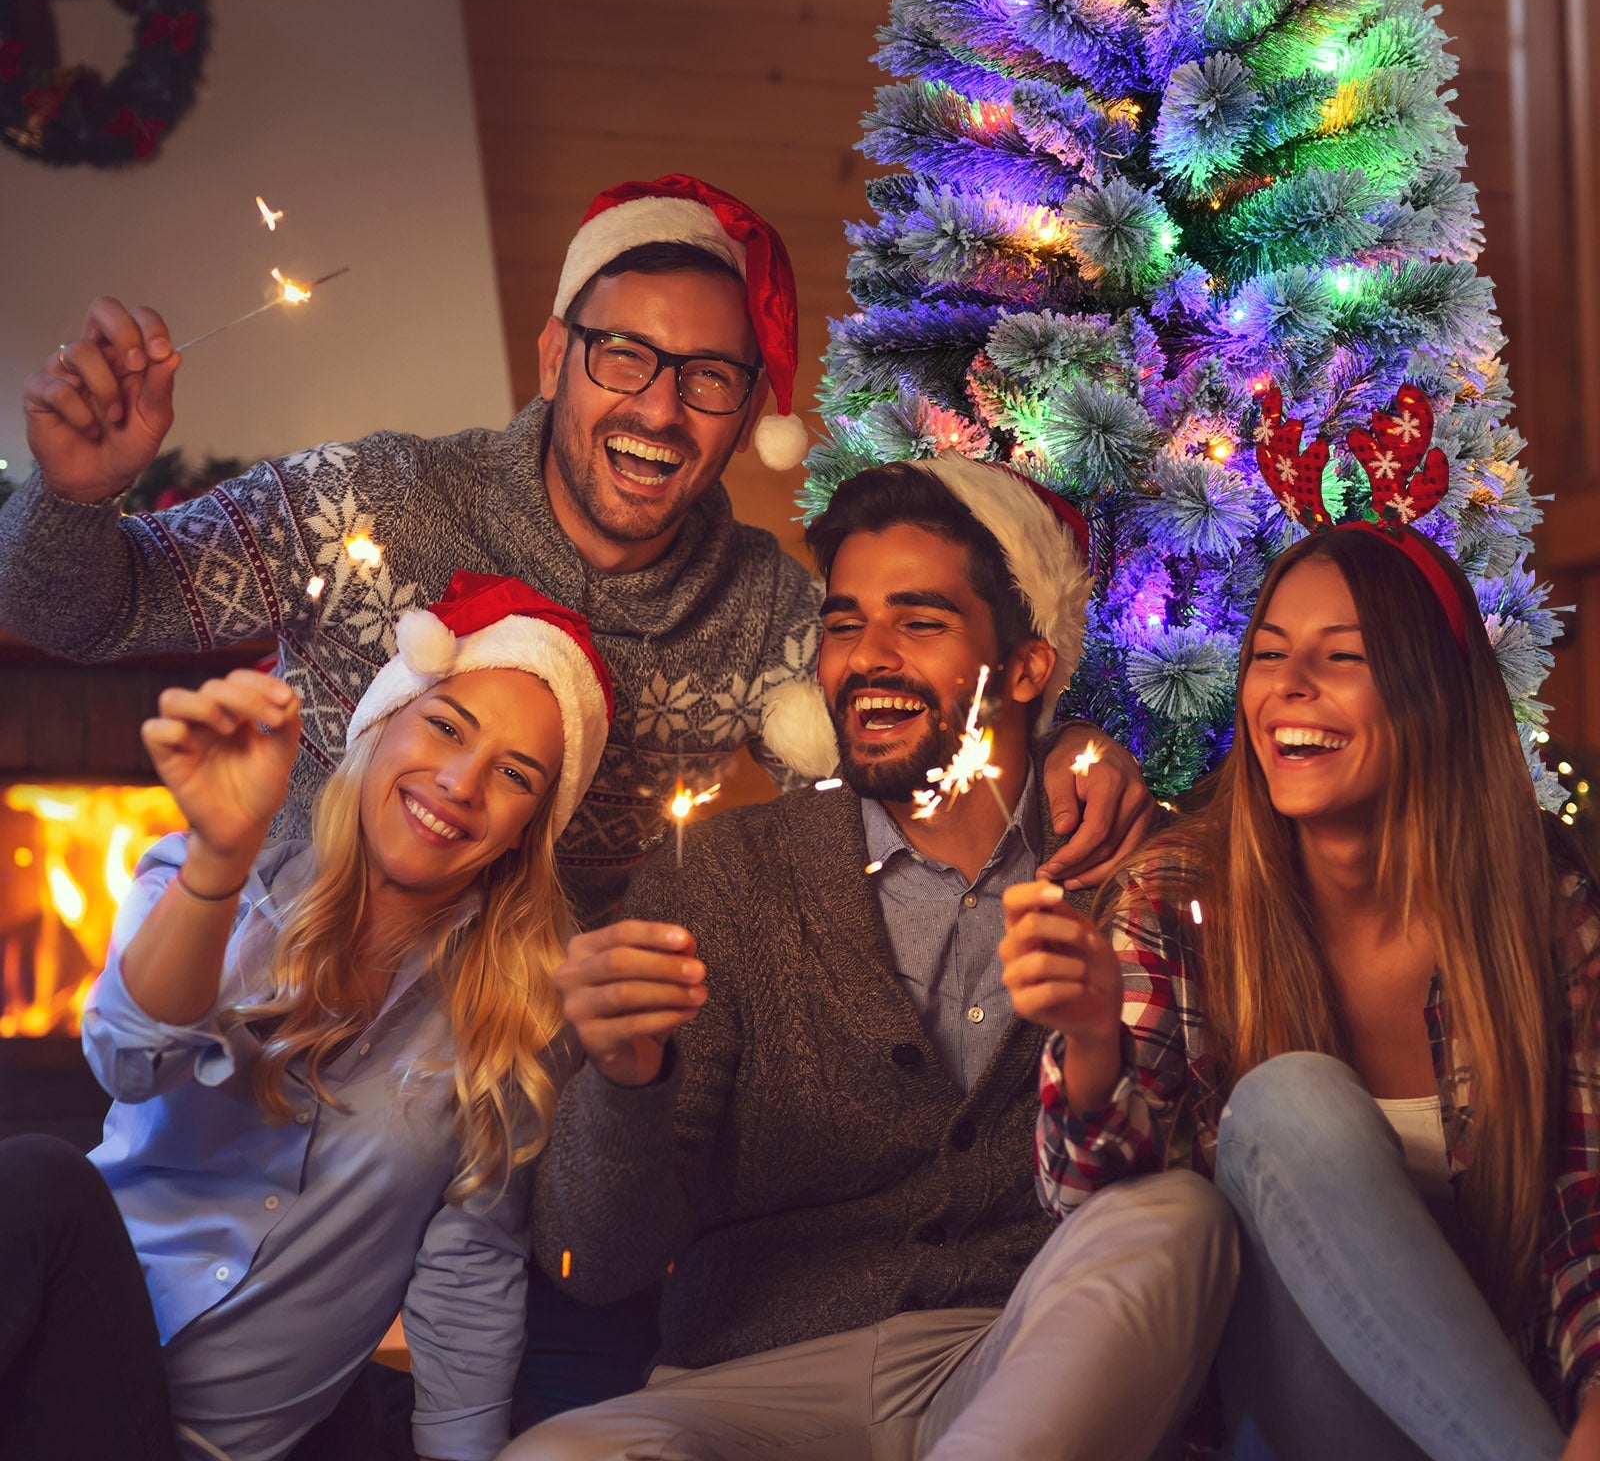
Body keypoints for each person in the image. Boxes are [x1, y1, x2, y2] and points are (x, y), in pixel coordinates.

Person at [0, 173, 1147, 927]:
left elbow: (919, 737)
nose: (657, 410)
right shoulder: (376, 499)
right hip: (274, 983)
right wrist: (72, 498)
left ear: (752, 410)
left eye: (707, 378)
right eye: (621, 356)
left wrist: (1065, 741)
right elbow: (81, 616)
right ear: (554, 355)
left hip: (508, 1070)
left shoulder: (765, 616)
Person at [504, 456, 1238, 1461]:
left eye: (920, 622)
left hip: (1017, 1365)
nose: (865, 658)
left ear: (1025, 668)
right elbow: (595, 1265)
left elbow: (1153, 1218)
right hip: (748, 1388)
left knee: (1178, 1219)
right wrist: (625, 1084)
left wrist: (1095, 1039)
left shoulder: (1130, 877)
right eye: (844, 623)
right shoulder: (720, 876)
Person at [1004, 521, 1600, 1461]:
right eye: (1270, 654)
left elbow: (1584, 1222)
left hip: (1487, 1409)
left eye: (1343, 657)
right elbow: (1104, 1221)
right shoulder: (1174, 898)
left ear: (1434, 692)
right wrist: (1088, 1041)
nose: (1287, 688)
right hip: (1277, 1418)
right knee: (1292, 1102)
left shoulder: (1547, 913)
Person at [0, 571, 615, 1461]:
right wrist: (220, 855)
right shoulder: (210, 881)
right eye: (446, 725)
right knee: (43, 1181)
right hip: (52, 1378)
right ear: (382, 724)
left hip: (215, 1445)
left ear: (529, 827)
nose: (458, 781)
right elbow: (128, 1060)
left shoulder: (513, 1021)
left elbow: (467, 1268)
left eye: (514, 775)